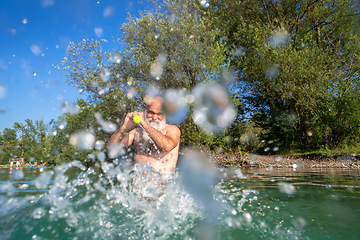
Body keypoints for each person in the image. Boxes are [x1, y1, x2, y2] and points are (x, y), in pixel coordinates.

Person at [107, 96, 181, 174]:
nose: (155, 117)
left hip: (163, 184)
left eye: (160, 114)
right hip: (139, 185)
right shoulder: (137, 132)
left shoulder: (172, 130)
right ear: (145, 111)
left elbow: (167, 146)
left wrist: (144, 124)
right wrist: (125, 127)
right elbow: (111, 147)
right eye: (151, 113)